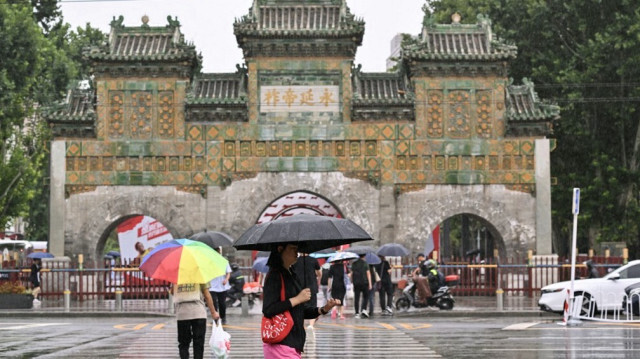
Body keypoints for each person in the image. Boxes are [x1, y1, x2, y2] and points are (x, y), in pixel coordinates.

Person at [262, 243, 340, 358]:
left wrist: (323, 309)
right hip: (281, 344)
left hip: (292, 343)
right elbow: (268, 309)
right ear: (280, 249)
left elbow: (299, 310)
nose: (296, 253)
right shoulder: (275, 275)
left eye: (297, 249)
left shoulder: (290, 273)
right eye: (292, 249)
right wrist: (297, 299)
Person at [172, 282, 219, 359]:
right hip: (198, 313)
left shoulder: (177, 276)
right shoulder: (200, 275)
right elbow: (207, 295)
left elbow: (172, 292)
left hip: (182, 314)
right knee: (198, 343)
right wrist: (213, 312)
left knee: (183, 343)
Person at [292, 252, 322, 331]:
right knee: (313, 306)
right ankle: (311, 325)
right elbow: (319, 273)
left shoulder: (295, 261)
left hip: (299, 288)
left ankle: (301, 325)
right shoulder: (314, 260)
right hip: (312, 287)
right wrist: (317, 278)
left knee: (300, 307)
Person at [209, 247, 232, 325]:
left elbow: (228, 272)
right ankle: (215, 317)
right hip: (212, 286)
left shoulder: (224, 261)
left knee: (222, 303)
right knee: (213, 302)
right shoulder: (209, 262)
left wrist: (226, 279)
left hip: (222, 286)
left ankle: (223, 317)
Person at [349, 253, 371, 318]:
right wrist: (370, 284)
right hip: (364, 283)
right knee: (366, 297)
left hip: (356, 283)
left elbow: (351, 274)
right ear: (364, 256)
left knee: (357, 298)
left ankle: (357, 313)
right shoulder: (365, 263)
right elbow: (368, 274)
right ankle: (363, 309)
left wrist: (352, 281)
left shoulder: (354, 264)